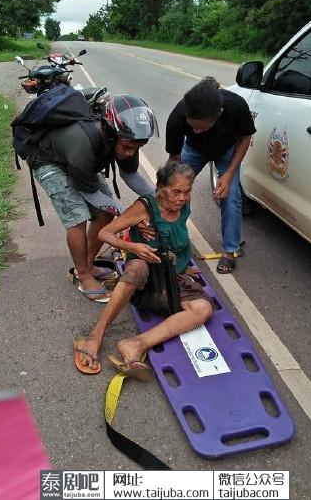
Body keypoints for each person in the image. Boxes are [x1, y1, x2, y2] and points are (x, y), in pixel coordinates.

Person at [73, 162, 213, 378]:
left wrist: (183, 263)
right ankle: (95, 336)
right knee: (137, 267)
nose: (182, 198)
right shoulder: (145, 207)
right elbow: (105, 234)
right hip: (146, 280)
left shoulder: (183, 202)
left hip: (172, 274)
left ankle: (135, 345)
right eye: (176, 191)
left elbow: (177, 233)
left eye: (187, 191)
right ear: (161, 189)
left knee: (203, 309)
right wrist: (133, 246)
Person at [30, 94, 158, 303]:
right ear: (110, 134)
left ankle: (89, 264)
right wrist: (130, 217)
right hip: (49, 161)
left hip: (78, 162)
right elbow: (89, 193)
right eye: (126, 147)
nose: (129, 153)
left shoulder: (127, 137)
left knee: (105, 214)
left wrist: (158, 200)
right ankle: (83, 274)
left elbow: (131, 175)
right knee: (77, 217)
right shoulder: (84, 143)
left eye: (136, 148)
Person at [165, 77, 256, 274]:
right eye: (192, 126)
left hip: (227, 150)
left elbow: (245, 138)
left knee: (231, 196)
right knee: (175, 191)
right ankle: (174, 239)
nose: (196, 130)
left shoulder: (236, 106)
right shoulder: (178, 115)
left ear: (219, 114)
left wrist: (229, 174)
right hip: (194, 150)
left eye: (202, 127)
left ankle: (230, 251)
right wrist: (170, 184)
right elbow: (174, 157)